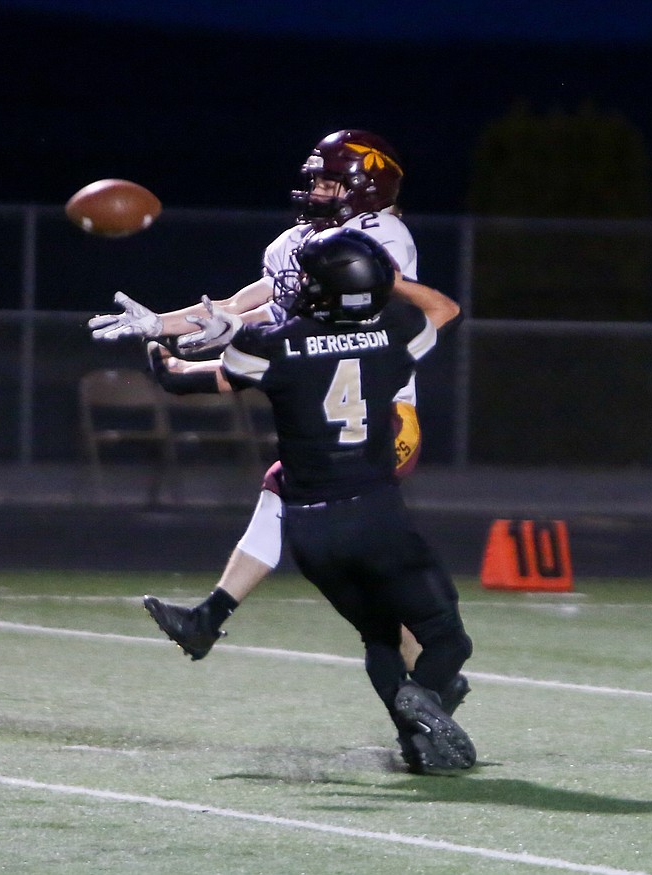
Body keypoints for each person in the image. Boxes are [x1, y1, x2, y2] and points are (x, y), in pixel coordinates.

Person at [87, 129, 440, 674]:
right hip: (331, 413)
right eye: (315, 180)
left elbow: (324, 325)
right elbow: (241, 307)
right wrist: (160, 324)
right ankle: (432, 679)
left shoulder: (380, 236)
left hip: (381, 417)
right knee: (352, 561)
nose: (315, 191)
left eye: (329, 182)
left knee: (335, 542)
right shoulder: (300, 243)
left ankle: (214, 616)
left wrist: (224, 339)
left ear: (363, 187)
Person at [142, 227, 475, 775]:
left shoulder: (272, 344)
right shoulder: (396, 330)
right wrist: (390, 281)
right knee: (447, 641)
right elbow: (442, 308)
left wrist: (165, 356)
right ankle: (425, 702)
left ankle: (419, 745)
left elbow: (197, 381)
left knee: (380, 636)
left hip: (310, 527)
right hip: (375, 513)